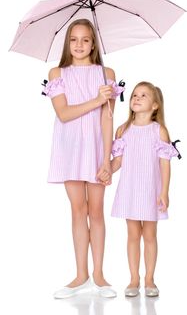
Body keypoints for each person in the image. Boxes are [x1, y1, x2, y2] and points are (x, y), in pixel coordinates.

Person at [42, 19, 124, 299]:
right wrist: (97, 99)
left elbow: (107, 119)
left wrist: (106, 159)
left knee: (96, 210)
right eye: (73, 40)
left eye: (85, 40)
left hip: (96, 149)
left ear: (93, 43)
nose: (79, 45)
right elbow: (63, 114)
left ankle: (99, 274)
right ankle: (81, 274)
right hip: (70, 148)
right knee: (78, 210)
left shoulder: (106, 73)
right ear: (67, 43)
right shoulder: (57, 73)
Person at [109, 81, 178, 297]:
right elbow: (117, 161)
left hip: (150, 190)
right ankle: (133, 279)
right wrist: (105, 170)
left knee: (149, 234)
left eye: (143, 96)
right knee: (132, 235)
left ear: (155, 105)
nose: (136, 98)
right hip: (129, 189)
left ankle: (149, 279)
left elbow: (165, 165)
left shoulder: (159, 131)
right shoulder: (122, 129)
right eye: (134, 95)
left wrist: (164, 192)